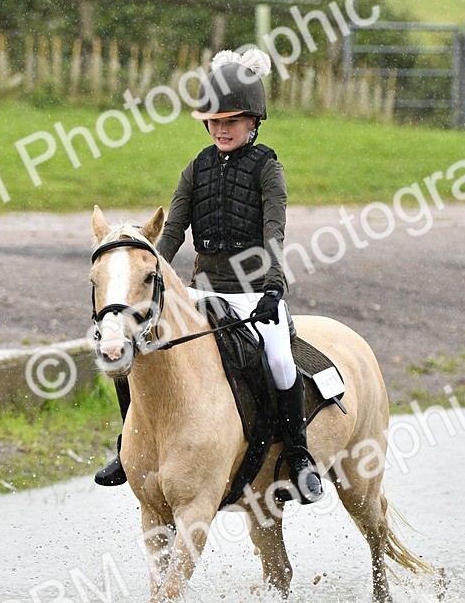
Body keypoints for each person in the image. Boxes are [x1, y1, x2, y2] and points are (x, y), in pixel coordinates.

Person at [95, 47, 323, 503]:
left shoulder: (268, 170)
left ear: (253, 121)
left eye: (231, 121)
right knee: (135, 349)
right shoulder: (195, 169)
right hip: (200, 293)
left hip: (255, 293)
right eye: (214, 121)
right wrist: (146, 276)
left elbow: (274, 232)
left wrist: (274, 286)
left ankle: (297, 455)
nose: (221, 129)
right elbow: (171, 233)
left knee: (279, 360)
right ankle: (127, 448)